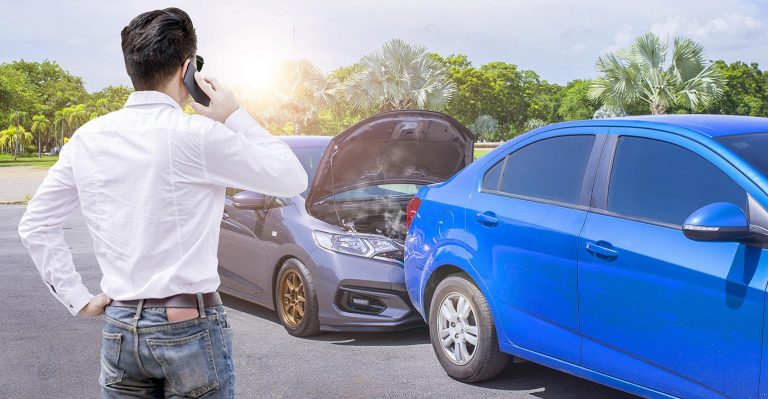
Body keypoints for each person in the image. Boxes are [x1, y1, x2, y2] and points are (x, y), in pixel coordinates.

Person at [17, 7, 308, 398]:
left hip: (120, 327)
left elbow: (35, 224)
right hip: (189, 324)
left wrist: (78, 299)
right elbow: (291, 176)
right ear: (187, 68)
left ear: (131, 67)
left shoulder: (88, 139)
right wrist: (234, 116)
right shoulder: (199, 135)